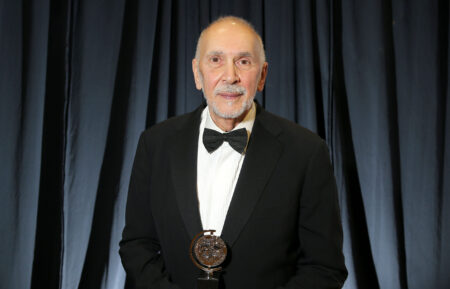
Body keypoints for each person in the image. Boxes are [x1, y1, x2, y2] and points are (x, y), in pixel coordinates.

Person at [119, 16, 347, 289]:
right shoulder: (155, 144)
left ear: (262, 75)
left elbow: (324, 268)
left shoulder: (307, 152)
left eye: (243, 61)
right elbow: (137, 246)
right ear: (197, 73)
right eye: (215, 60)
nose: (230, 76)